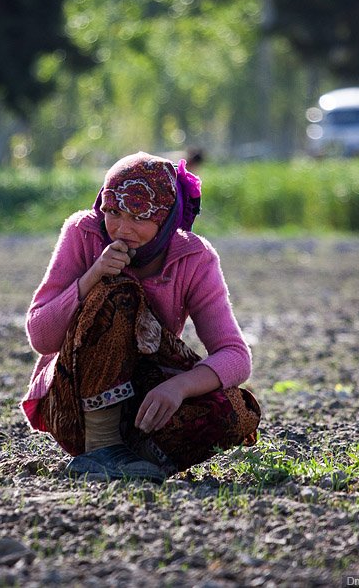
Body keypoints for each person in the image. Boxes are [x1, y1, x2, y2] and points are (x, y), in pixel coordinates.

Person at [22, 151, 260, 482]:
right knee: (120, 292)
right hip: (74, 407)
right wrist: (92, 275)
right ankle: (101, 448)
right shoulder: (84, 233)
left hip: (146, 406)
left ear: (165, 220)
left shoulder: (194, 258)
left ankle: (143, 460)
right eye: (114, 212)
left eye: (139, 217)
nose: (122, 228)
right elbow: (41, 337)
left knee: (238, 411)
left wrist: (179, 386)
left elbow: (235, 355)